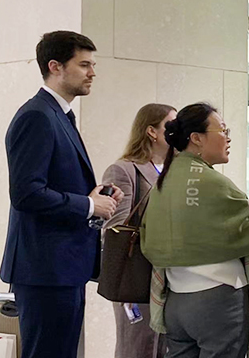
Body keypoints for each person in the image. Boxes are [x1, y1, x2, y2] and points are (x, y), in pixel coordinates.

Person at [0, 31, 124, 358]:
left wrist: (94, 196)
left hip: (62, 267)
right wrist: (88, 204)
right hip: (45, 270)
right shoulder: (37, 116)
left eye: (92, 65)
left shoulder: (58, 115)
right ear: (55, 66)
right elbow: (26, 194)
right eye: (84, 65)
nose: (92, 73)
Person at [141, 103, 249, 358]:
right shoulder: (212, 183)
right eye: (223, 130)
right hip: (218, 301)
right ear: (196, 138)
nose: (228, 137)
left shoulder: (164, 180)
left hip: (175, 301)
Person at [102, 103, 176, 358]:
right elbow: (115, 227)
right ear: (151, 131)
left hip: (170, 274)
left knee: (165, 347)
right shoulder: (124, 169)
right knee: (138, 345)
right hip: (136, 273)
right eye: (170, 125)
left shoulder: (176, 170)